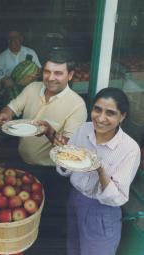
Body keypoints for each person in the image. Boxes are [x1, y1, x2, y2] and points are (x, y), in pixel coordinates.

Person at [56, 87, 141, 255]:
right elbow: (66, 170)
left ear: (122, 116)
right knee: (73, 249)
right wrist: (63, 154)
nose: (101, 118)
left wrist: (100, 170)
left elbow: (117, 197)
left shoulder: (130, 149)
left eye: (110, 113)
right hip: (75, 199)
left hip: (102, 211)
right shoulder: (83, 129)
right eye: (97, 109)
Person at [0, 50, 87, 166]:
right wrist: (6, 114)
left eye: (58, 73)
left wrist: (49, 132)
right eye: (47, 72)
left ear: (70, 75)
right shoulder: (32, 87)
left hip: (49, 171)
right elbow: (11, 108)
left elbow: (68, 148)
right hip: (20, 159)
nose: (50, 78)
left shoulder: (77, 105)